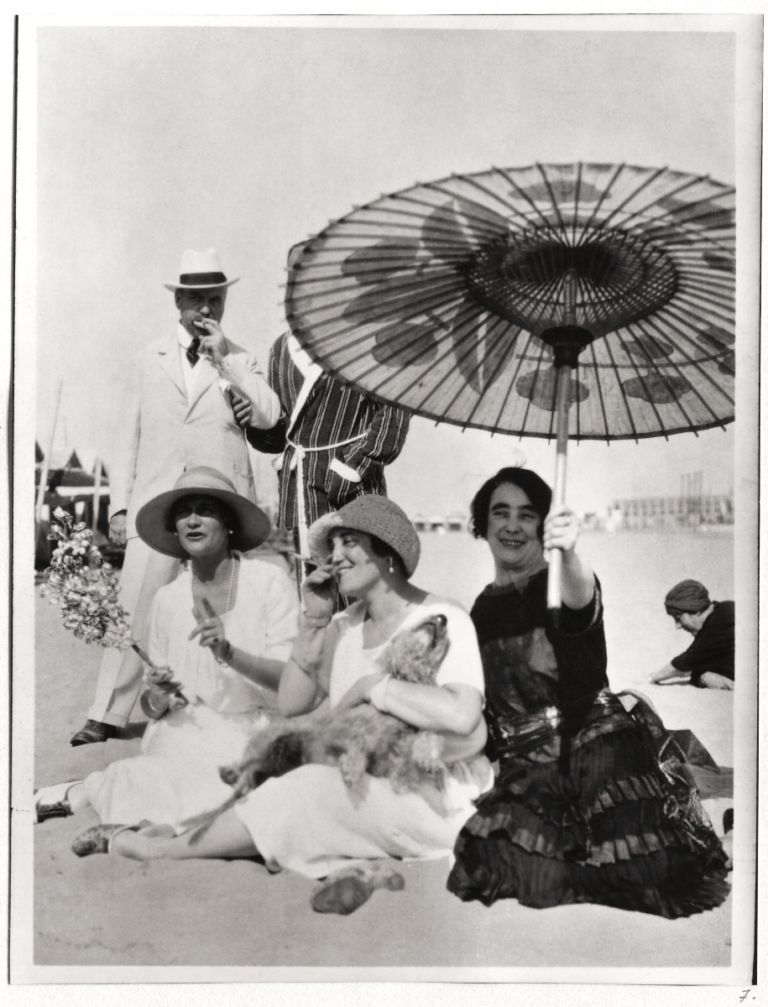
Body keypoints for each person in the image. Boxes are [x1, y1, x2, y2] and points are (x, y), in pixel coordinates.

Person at [74, 495, 493, 900]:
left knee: (299, 791)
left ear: (389, 553)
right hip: (363, 779)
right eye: (333, 546)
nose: (336, 556)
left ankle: (158, 849)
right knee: (275, 781)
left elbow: (462, 716)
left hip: (432, 795)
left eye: (350, 543)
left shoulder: (440, 617)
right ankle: (200, 836)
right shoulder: (344, 626)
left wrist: (373, 688)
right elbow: (293, 702)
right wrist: (313, 620)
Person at [446, 467, 730, 917]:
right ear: (483, 523)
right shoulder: (481, 609)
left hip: (593, 746)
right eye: (500, 513)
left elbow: (582, 599)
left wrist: (570, 551)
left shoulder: (561, 582)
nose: (513, 526)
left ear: (543, 526)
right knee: (488, 863)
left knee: (629, 868)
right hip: (525, 761)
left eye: (527, 514)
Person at [71, 249, 282, 746]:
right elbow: (129, 434)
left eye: (216, 298)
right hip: (158, 499)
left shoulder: (243, 358)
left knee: (223, 599)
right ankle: (107, 711)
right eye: (197, 300)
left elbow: (271, 417)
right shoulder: (149, 359)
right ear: (179, 303)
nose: (206, 309)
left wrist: (225, 358)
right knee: (139, 601)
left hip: (221, 499)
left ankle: (226, 704)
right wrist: (120, 506)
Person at [35, 467, 298, 838]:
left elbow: (288, 683)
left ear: (229, 523)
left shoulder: (269, 582)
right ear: (174, 529)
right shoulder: (168, 598)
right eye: (183, 512)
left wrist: (229, 652)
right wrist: (158, 695)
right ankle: (97, 790)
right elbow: (154, 704)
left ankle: (89, 790)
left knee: (232, 792)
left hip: (255, 729)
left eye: (205, 509)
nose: (192, 520)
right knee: (190, 780)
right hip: (184, 730)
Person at [243, 243, 410, 567]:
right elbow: (279, 430)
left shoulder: (365, 339)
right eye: (295, 274)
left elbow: (394, 412)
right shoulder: (281, 348)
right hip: (297, 485)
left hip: (352, 484)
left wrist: (355, 467)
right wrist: (254, 418)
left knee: (361, 578)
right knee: (307, 584)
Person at [650, 580, 735, 690]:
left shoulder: (723, 621)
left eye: (678, 618)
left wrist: (653, 678)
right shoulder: (723, 610)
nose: (678, 626)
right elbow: (698, 664)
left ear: (697, 611)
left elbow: (686, 662)